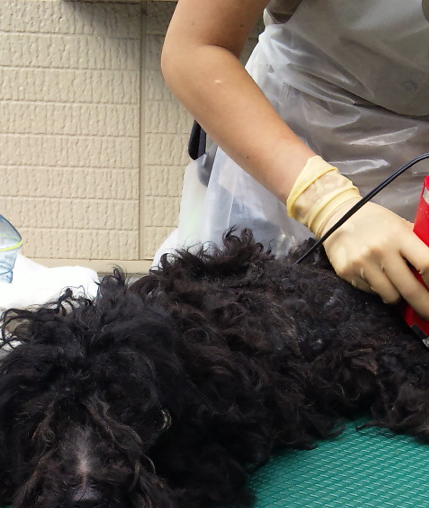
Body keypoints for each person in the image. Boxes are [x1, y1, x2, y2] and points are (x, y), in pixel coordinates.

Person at [160, 0, 429, 319]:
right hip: (288, 152)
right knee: (253, 322)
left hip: (418, 167)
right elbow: (194, 48)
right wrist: (328, 204)